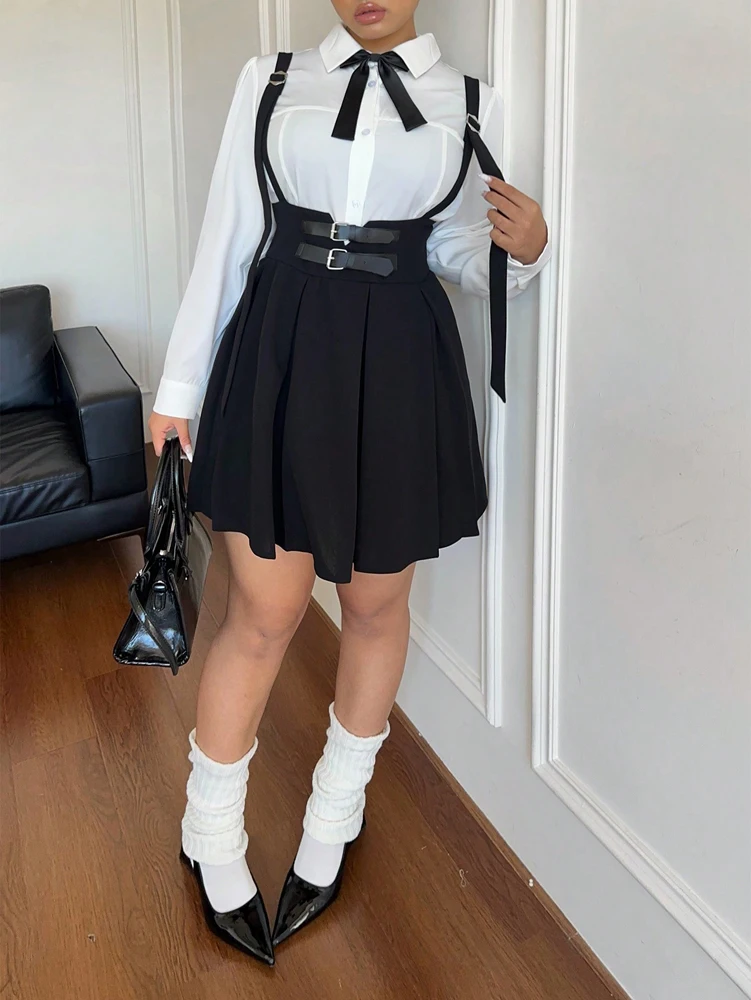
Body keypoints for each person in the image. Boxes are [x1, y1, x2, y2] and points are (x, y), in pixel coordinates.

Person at [148, 0, 550, 967]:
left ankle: (336, 813)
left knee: (373, 606)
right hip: (280, 354)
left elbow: (453, 252)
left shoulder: (472, 102)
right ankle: (208, 829)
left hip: (398, 369)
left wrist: (526, 251)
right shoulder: (271, 81)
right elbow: (228, 237)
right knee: (264, 611)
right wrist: (176, 393)